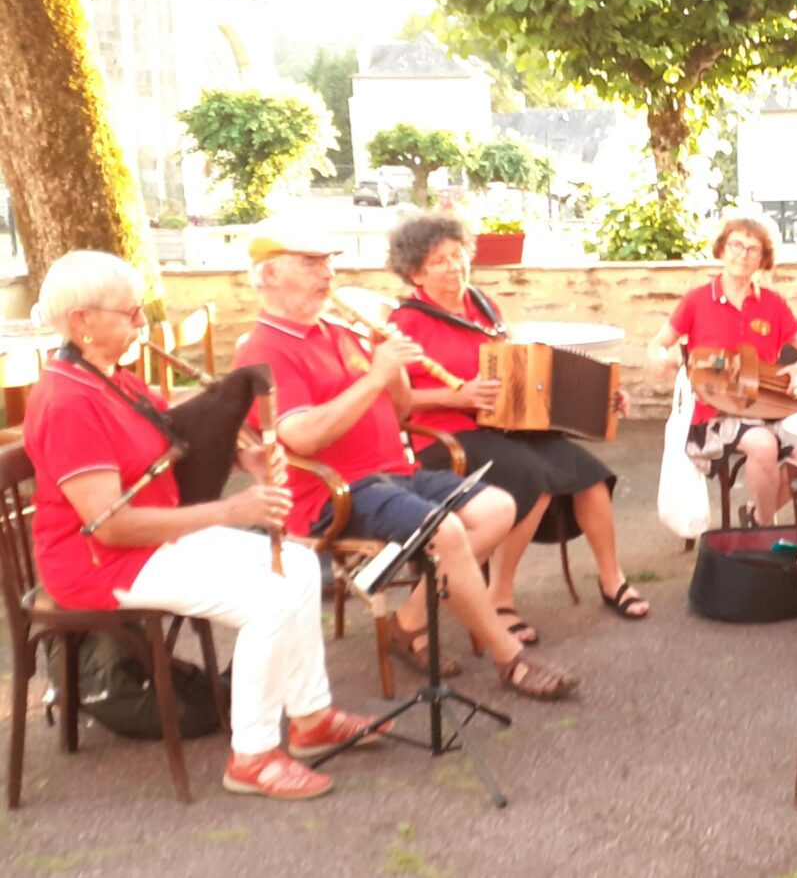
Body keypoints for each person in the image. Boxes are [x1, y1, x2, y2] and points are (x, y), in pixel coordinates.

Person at [23, 250, 389, 801]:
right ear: (81, 322)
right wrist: (230, 511)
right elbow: (111, 528)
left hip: (154, 540)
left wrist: (244, 460)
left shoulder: (109, 378)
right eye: (129, 314)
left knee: (297, 563)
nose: (140, 324)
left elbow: (172, 436)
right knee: (268, 598)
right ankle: (253, 756)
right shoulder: (67, 402)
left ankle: (311, 717)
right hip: (100, 562)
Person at [232, 223, 577, 701]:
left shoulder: (338, 332)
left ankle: (408, 620)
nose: (326, 273)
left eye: (328, 262)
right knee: (449, 531)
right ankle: (509, 659)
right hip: (337, 492)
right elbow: (302, 437)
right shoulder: (264, 349)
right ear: (268, 276)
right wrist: (375, 376)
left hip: (394, 474)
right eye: (310, 264)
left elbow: (396, 410)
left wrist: (390, 369)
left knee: (498, 507)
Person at [386, 213, 648, 641]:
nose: (454, 266)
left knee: (591, 477)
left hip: (499, 426)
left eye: (458, 255)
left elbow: (517, 373)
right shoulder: (405, 324)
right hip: (444, 437)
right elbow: (389, 402)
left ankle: (611, 579)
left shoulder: (483, 306)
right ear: (415, 271)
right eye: (439, 261)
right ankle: (499, 597)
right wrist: (454, 397)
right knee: (534, 480)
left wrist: (600, 400)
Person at [646, 213, 797, 527]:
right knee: (763, 445)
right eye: (736, 245)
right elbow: (657, 345)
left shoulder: (774, 304)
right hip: (713, 414)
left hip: (767, 407)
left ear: (762, 260)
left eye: (752, 249)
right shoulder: (697, 301)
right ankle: (767, 533)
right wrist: (665, 358)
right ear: (721, 249)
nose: (742, 255)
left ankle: (757, 517)